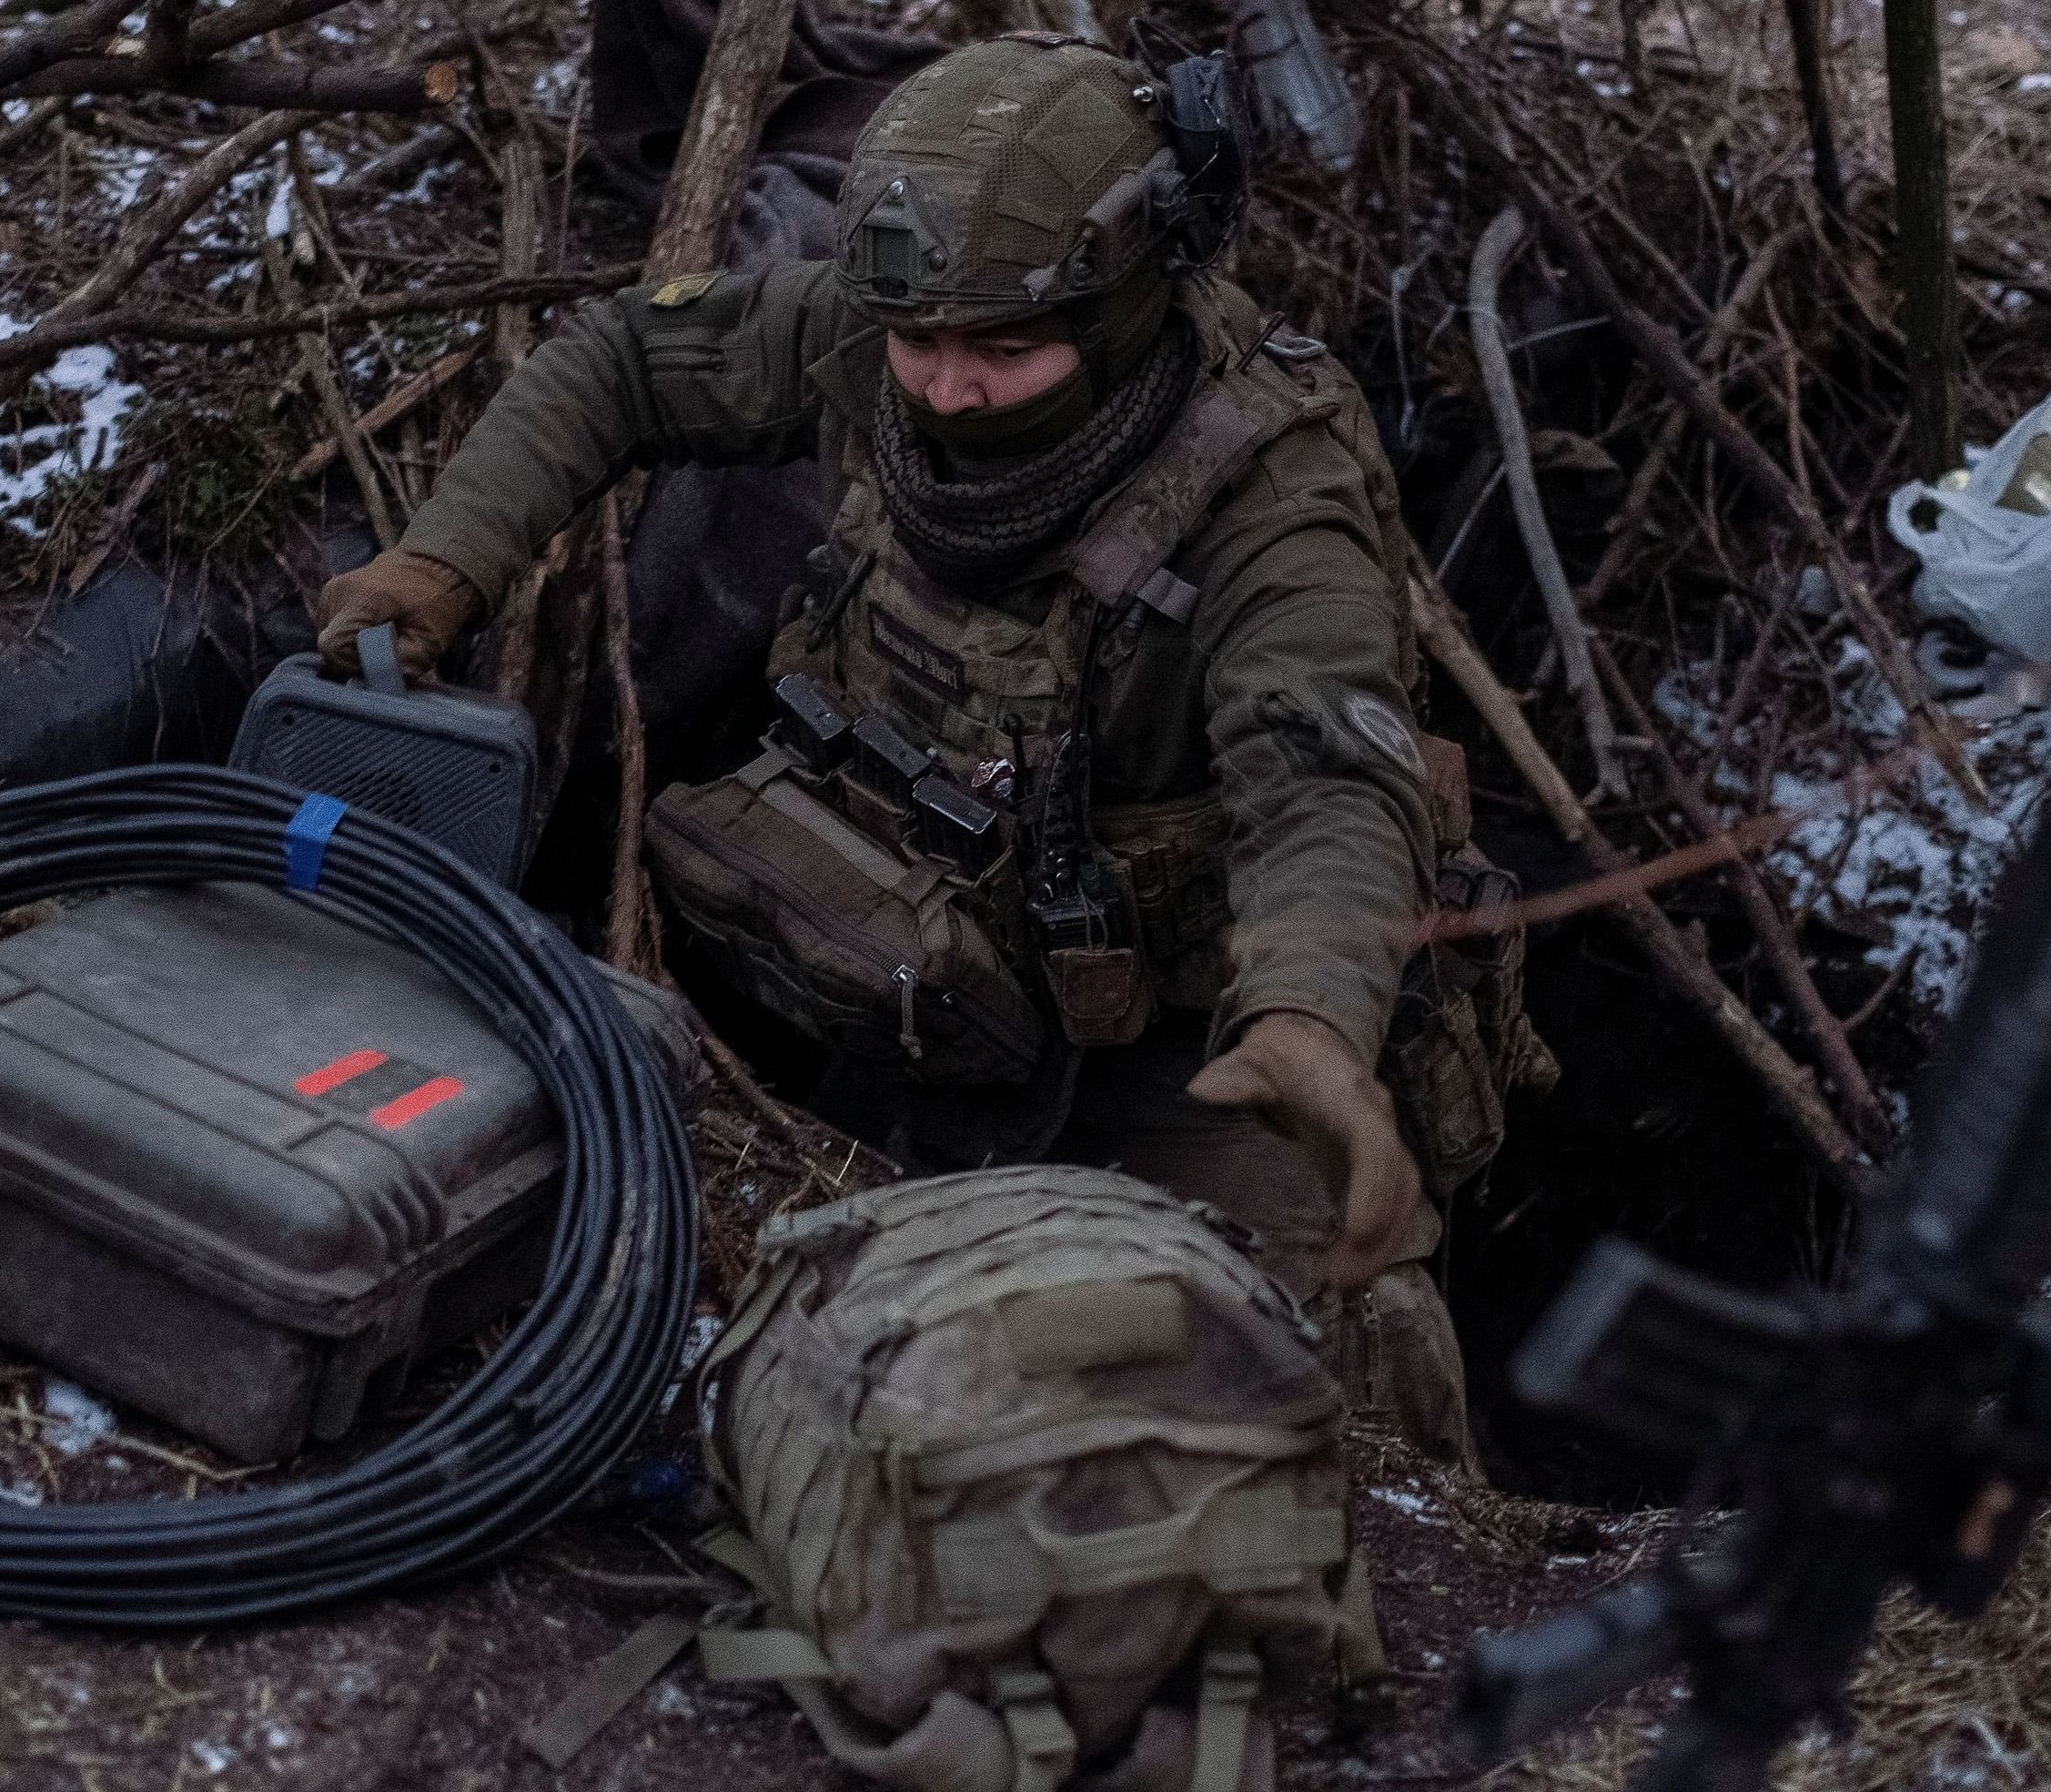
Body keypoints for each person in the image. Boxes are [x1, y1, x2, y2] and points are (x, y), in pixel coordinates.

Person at [312, 34, 1510, 1462]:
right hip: (914, 991)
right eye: (920, 342)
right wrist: (446, 563)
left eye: (1005, 352)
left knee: (1309, 1391)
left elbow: (1325, 778)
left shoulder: (1269, 494)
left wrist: (1309, 1022)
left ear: (1130, 299)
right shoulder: (874, 332)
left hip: (1181, 1057)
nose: (944, 388)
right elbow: (623, 358)